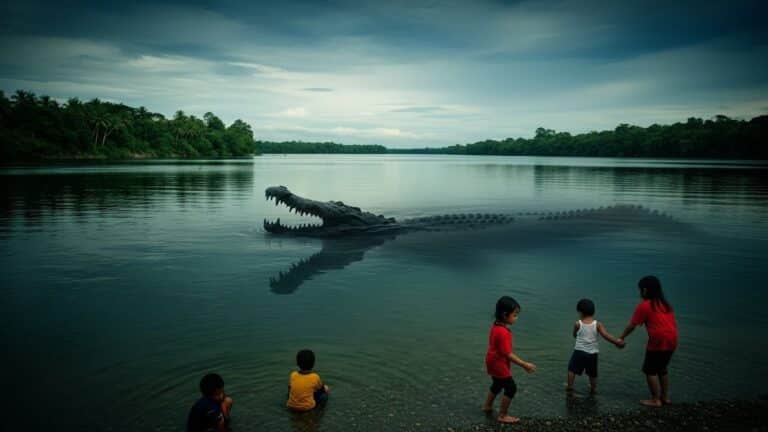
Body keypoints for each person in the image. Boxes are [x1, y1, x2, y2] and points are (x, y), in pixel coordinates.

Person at [618, 275, 678, 407]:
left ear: (645, 291)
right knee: (662, 369)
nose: (639, 293)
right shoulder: (666, 304)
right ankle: (665, 397)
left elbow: (632, 325)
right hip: (673, 339)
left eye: (640, 290)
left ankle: (655, 399)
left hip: (658, 339)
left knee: (650, 370)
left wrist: (621, 337)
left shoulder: (644, 306)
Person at [481, 296, 537, 424]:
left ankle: (487, 406)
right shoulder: (503, 332)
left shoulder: (495, 326)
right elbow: (508, 354)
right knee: (511, 388)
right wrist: (524, 364)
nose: (517, 318)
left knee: (497, 384)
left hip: (491, 360)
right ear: (505, 315)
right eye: (515, 315)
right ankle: (503, 415)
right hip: (498, 363)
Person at [566, 298, 625, 394]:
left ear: (580, 312)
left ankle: (569, 386)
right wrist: (617, 342)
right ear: (593, 312)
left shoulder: (578, 324)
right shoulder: (597, 324)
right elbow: (606, 335)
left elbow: (574, 335)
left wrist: (577, 335)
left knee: (572, 369)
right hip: (592, 353)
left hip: (579, 351)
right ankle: (593, 388)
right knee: (592, 373)